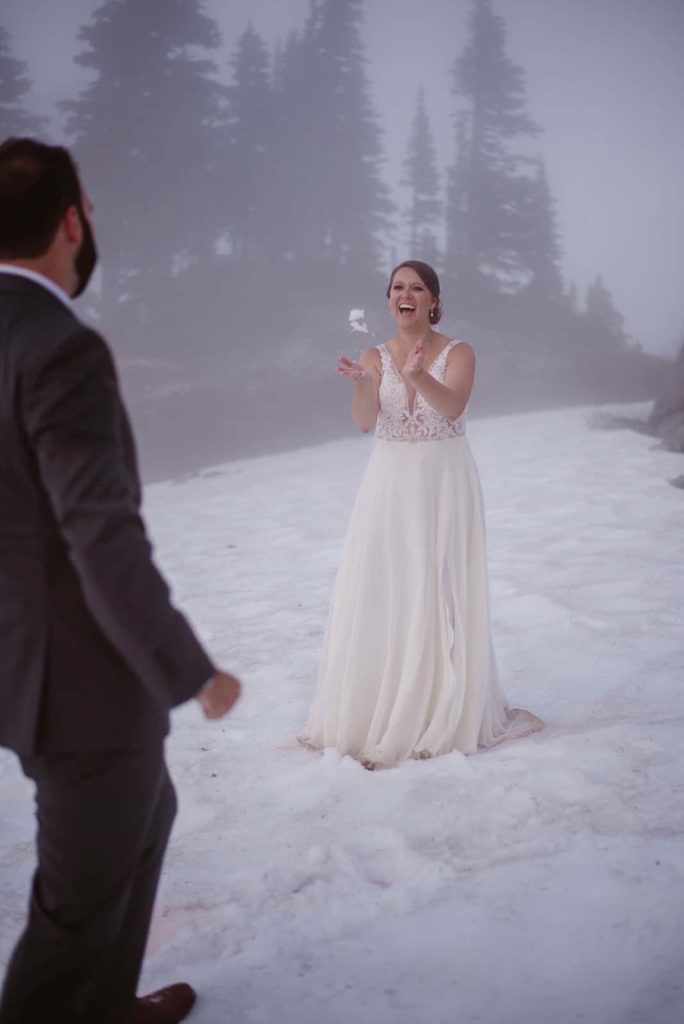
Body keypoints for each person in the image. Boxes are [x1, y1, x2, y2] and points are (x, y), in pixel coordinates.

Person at [0, 138, 241, 1024]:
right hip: (80, 686)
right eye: (90, 209)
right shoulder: (59, 347)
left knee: (149, 813)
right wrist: (190, 669)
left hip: (22, 662)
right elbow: (100, 535)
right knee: (73, 909)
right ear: (70, 221)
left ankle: (105, 1008)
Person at [300, 260, 543, 769]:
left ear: (433, 300)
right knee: (386, 586)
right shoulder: (373, 353)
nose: (404, 295)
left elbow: (452, 406)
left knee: (438, 587)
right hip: (388, 484)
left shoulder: (459, 352)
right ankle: (378, 708)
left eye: (416, 288)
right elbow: (366, 423)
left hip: (444, 481)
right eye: (396, 287)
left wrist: (416, 376)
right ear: (388, 298)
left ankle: (435, 708)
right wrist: (364, 384)